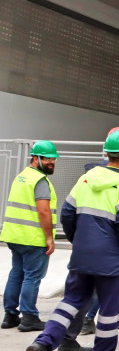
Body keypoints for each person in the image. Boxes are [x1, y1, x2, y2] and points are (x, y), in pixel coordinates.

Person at [23, 129, 119, 351]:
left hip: (82, 254)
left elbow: (67, 213)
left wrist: (78, 240)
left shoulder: (86, 179)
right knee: (111, 309)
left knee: (70, 302)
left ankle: (43, 343)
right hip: (110, 259)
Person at [1, 141, 59, 332]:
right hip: (32, 238)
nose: (52, 162)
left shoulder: (21, 177)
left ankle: (10, 315)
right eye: (47, 158)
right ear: (36, 158)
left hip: (15, 236)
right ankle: (29, 317)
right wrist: (49, 237)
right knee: (32, 277)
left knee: (17, 273)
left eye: (53, 158)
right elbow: (44, 211)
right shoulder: (40, 181)